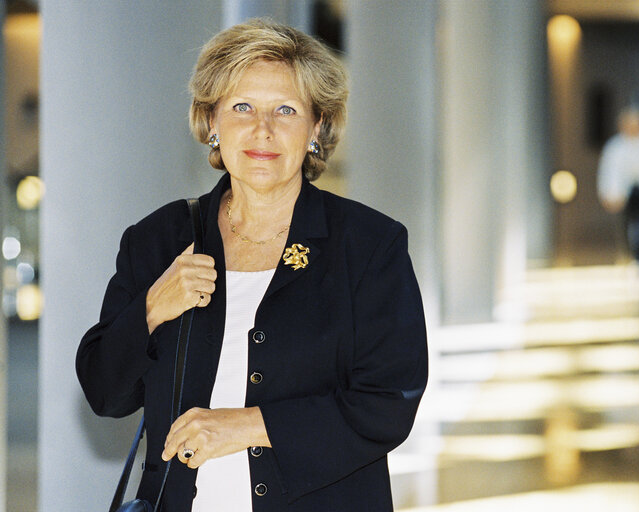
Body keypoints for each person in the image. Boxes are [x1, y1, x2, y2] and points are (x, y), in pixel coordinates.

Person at [76, 18, 428, 512]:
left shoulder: (369, 245)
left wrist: (246, 425)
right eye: (242, 107)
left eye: (285, 109)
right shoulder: (159, 239)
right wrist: (154, 307)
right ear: (212, 122)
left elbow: (388, 403)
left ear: (317, 127)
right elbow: (103, 392)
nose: (262, 129)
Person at [596, 106, 639, 263]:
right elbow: (608, 172)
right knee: (627, 225)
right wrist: (608, 193)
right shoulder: (615, 147)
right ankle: (629, 255)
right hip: (623, 193)